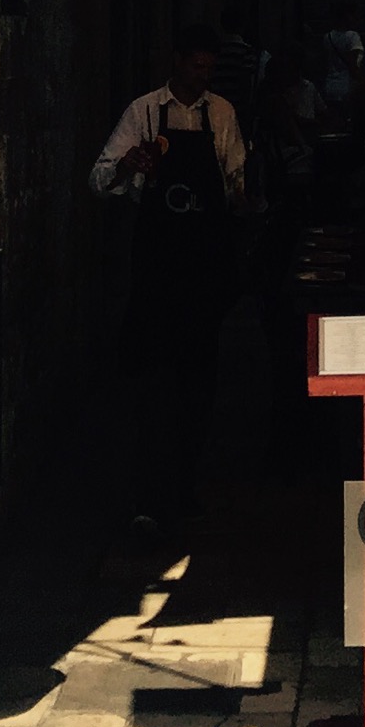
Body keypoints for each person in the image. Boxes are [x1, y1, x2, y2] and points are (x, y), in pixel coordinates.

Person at [90, 28, 247, 528]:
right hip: (157, 268)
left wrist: (241, 213)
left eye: (208, 69)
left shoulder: (220, 114)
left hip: (203, 267)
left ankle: (185, 484)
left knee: (198, 384)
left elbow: (235, 180)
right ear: (177, 63)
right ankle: (147, 491)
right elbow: (99, 180)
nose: (202, 77)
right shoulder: (144, 112)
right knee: (153, 383)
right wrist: (128, 167)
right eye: (195, 67)